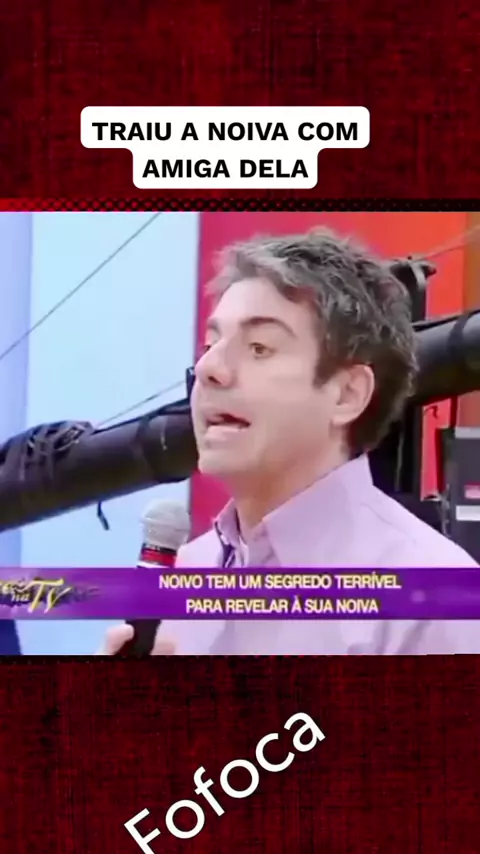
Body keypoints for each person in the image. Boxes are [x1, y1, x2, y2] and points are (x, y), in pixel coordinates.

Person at [99, 227, 479, 656]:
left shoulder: (434, 602)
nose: (208, 369)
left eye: (259, 348)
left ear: (347, 394)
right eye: (210, 344)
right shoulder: (181, 575)